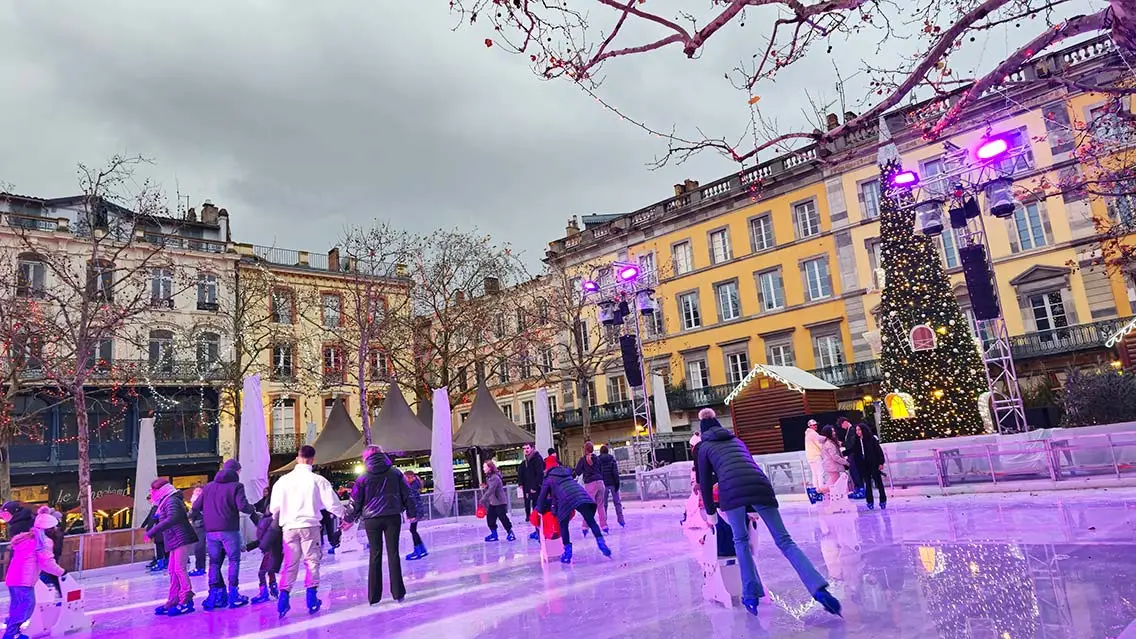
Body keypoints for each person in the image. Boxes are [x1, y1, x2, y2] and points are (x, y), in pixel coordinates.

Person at [695, 408, 841, 618]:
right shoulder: (736, 441)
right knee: (785, 540)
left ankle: (750, 595)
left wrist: (711, 514)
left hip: (732, 492)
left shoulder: (704, 447)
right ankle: (819, 589)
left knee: (741, 541)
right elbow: (747, 468)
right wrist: (753, 508)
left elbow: (706, 484)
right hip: (761, 487)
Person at [270, 445, 345, 618]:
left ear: (297, 458)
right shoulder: (317, 480)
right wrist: (344, 516)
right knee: (311, 561)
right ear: (312, 459)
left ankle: (283, 599)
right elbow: (332, 504)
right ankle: (311, 598)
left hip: (289, 527)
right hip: (309, 526)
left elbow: (274, 508)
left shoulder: (282, 481)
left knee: (290, 562)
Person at [342, 446, 417, 606]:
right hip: (392, 517)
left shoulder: (363, 477)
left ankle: (374, 597)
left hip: (372, 520)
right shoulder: (395, 473)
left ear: (367, 458)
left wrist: (348, 518)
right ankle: (398, 593)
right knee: (393, 553)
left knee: (375, 555)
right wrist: (411, 512)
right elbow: (407, 494)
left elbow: (355, 502)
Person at [191, 459, 256, 610]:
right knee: (234, 561)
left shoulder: (208, 487)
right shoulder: (237, 486)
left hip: (211, 532)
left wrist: (209, 514)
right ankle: (234, 595)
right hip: (229, 530)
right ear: (235, 471)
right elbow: (243, 507)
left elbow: (195, 507)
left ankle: (214, 595)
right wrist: (252, 508)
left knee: (214, 562)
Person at [3, 506, 67, 639]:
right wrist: (62, 572)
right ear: (50, 528)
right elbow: (46, 562)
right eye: (55, 527)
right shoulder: (43, 541)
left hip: (13, 578)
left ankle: (12, 632)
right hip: (24, 580)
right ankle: (9, 634)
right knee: (26, 608)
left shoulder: (28, 538)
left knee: (17, 607)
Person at [537, 453, 611, 564]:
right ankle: (601, 543)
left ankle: (567, 553)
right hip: (579, 494)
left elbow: (542, 496)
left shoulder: (548, 478)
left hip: (565, 499)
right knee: (591, 520)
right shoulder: (565, 472)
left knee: (563, 524)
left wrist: (538, 509)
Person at [146, 478, 198, 616]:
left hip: (181, 537)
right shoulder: (165, 501)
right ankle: (173, 599)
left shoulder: (172, 500)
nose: (152, 493)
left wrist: (153, 531)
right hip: (173, 539)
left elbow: (173, 518)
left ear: (162, 490)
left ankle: (186, 599)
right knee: (172, 570)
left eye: (154, 490)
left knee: (179, 569)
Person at [247, 510, 283, 604]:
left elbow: (262, 540)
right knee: (270, 571)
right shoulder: (269, 523)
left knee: (262, 572)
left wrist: (248, 547)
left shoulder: (266, 523)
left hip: (270, 551)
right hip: (273, 551)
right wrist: (248, 547)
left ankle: (264, 593)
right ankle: (273, 587)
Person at [850, 423, 887, 510]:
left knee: (878, 483)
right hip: (863, 465)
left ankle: (882, 500)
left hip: (873, 463)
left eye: (859, 430)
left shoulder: (872, 439)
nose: (857, 432)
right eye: (856, 430)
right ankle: (869, 501)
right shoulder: (856, 441)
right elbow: (855, 453)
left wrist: (881, 463)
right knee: (867, 483)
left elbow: (878, 451)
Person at [573, 442, 607, 535]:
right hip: (600, 483)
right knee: (601, 505)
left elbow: (578, 471)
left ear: (585, 449)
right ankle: (604, 526)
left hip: (590, 484)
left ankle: (585, 527)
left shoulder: (583, 460)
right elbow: (601, 470)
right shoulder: (597, 458)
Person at [479, 460, 514, 542]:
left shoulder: (495, 477)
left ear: (490, 468)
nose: (483, 469)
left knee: (502, 517)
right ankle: (494, 534)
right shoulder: (489, 477)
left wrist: (483, 499)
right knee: (490, 517)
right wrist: (485, 487)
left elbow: (492, 489)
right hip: (493, 502)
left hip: (500, 502)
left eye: (484, 467)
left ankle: (510, 532)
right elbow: (489, 488)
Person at [518, 443, 545, 541]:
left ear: (532, 448)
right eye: (524, 448)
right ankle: (537, 530)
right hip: (530, 489)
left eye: (527, 448)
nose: (526, 450)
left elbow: (539, 474)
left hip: (536, 490)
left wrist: (535, 486)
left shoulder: (537, 459)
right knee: (534, 509)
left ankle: (540, 531)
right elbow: (524, 474)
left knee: (538, 509)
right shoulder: (526, 461)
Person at [597, 445, 625, 529]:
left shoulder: (598, 460)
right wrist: (617, 483)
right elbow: (615, 472)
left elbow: (597, 472)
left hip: (603, 484)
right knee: (617, 503)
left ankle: (604, 523)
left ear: (600, 452)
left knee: (603, 504)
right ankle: (621, 520)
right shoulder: (612, 459)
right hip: (612, 483)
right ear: (607, 451)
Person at [403, 470, 428, 560]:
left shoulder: (412, 487)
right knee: (413, 530)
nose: (404, 480)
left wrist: (412, 514)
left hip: (415, 512)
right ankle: (421, 549)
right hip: (416, 511)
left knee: (413, 530)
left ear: (410, 477)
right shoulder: (413, 485)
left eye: (405, 478)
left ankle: (418, 551)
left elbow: (412, 501)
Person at [818, 426, 850, 495]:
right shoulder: (829, 444)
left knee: (833, 482)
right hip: (833, 466)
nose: (834, 433)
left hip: (831, 465)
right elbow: (835, 457)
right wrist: (846, 462)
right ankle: (818, 491)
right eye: (832, 431)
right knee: (835, 485)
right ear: (828, 433)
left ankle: (821, 491)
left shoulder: (827, 442)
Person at [839, 417, 866, 498]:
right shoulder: (849, 430)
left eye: (841, 425)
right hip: (851, 455)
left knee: (856, 472)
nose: (842, 427)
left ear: (845, 422)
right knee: (853, 473)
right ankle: (857, 489)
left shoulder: (852, 430)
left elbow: (851, 444)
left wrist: (842, 444)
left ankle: (861, 490)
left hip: (854, 455)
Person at [141, 500, 168, 572]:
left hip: (159, 531)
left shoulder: (156, 508)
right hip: (165, 530)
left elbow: (152, 520)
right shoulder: (164, 507)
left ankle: (160, 564)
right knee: (164, 547)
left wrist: (148, 531)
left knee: (159, 547)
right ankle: (166, 563)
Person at [188, 486, 207, 577]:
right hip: (198, 526)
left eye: (199, 490)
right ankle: (200, 567)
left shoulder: (201, 502)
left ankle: (200, 568)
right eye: (196, 491)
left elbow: (192, 513)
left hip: (202, 526)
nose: (197, 492)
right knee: (199, 547)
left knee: (199, 548)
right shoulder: (194, 501)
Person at [804, 419, 825, 495]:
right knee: (820, 473)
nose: (816, 426)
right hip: (816, 456)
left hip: (810, 457)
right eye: (814, 425)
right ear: (810, 426)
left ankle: (816, 489)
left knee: (815, 474)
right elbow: (819, 444)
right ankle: (821, 489)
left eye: (816, 425)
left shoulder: (807, 434)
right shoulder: (813, 434)